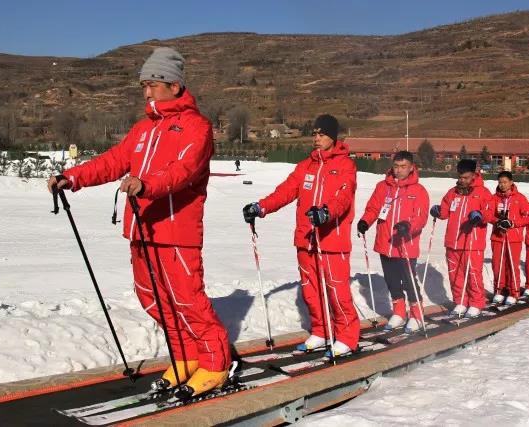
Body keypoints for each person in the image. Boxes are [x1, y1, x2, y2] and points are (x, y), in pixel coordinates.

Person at [47, 47, 231, 396]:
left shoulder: (197, 128)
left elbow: (184, 171)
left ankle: (214, 364)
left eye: (153, 84)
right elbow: (114, 160)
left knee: (187, 300)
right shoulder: (143, 129)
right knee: (153, 298)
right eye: (144, 85)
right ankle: (185, 357)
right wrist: (72, 177)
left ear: (175, 85)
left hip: (176, 230)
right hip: (142, 229)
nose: (147, 92)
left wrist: (147, 185)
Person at [243, 114, 360, 357]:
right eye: (315, 134)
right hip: (306, 239)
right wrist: (261, 207)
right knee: (311, 289)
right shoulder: (305, 166)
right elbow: (285, 191)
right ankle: (321, 331)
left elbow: (343, 198)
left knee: (337, 291)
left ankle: (347, 337)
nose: (317, 139)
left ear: (333, 137)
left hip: (332, 240)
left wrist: (326, 213)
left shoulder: (345, 166)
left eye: (322, 134)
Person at [357, 151, 430, 332]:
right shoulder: (383, 187)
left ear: (412, 167)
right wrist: (365, 220)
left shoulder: (418, 191)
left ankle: (416, 314)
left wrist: (408, 225)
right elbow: (373, 208)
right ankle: (399, 312)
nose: (399, 170)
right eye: (396, 166)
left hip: (405, 245)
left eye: (403, 167)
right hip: (385, 242)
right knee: (392, 281)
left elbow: (420, 217)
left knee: (408, 281)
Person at [430, 159, 493, 318]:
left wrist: (480, 215)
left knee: (473, 274)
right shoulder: (453, 192)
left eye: (466, 177)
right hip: (453, 241)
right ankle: (460, 301)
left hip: (472, 242)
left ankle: (476, 303)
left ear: (474, 175)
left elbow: (490, 213)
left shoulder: (483, 193)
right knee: (455, 274)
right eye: (460, 177)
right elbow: (445, 211)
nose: (462, 180)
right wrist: (438, 211)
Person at [489, 171, 529, 304]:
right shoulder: (494, 198)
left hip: (513, 238)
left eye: (505, 182)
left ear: (511, 182)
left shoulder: (520, 198)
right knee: (497, 265)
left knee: (512, 265)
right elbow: (488, 214)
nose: (502, 185)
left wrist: (513, 223)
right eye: (500, 182)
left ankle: (514, 291)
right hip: (498, 237)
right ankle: (499, 290)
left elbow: (527, 218)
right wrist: (497, 221)